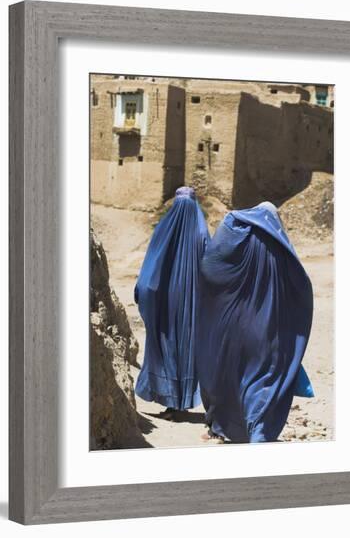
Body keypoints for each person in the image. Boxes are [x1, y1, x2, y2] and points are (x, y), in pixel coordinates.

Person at [196, 201, 314, 442]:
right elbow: (301, 287)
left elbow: (209, 266)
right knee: (262, 380)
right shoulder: (279, 246)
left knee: (231, 374)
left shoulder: (236, 232)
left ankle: (224, 425)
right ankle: (258, 433)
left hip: (231, 326)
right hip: (268, 328)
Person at [134, 186, 209, 418]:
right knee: (186, 349)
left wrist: (144, 295)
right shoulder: (202, 234)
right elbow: (214, 268)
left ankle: (170, 402)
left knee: (165, 347)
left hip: (164, 304)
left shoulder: (163, 230)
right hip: (192, 305)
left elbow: (149, 272)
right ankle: (179, 403)